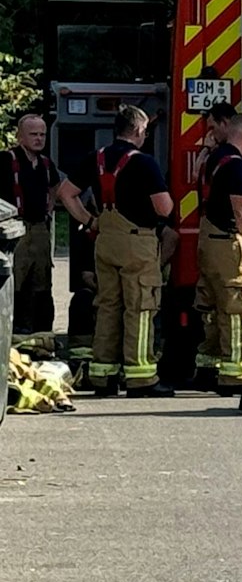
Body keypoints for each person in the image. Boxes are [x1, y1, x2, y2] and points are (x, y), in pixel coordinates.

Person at [57, 106, 173, 396]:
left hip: (105, 241)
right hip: (137, 243)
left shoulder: (94, 158)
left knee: (107, 306)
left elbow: (65, 193)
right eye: (145, 130)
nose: (146, 135)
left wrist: (90, 221)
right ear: (138, 130)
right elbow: (164, 208)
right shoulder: (144, 163)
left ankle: (102, 375)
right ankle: (141, 377)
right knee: (140, 308)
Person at [2, 114, 89, 335]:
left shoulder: (46, 164)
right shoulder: (6, 160)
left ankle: (41, 335)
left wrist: (49, 208)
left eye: (42, 134)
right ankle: (12, 333)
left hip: (40, 228)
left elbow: (57, 188)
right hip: (15, 230)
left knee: (41, 285)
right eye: (33, 134)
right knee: (13, 283)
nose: (39, 139)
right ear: (20, 136)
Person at [195, 114, 242, 394]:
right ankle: (235, 374)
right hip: (228, 243)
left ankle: (207, 368)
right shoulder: (237, 166)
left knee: (212, 308)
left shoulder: (214, 158)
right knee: (237, 307)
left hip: (208, 240)